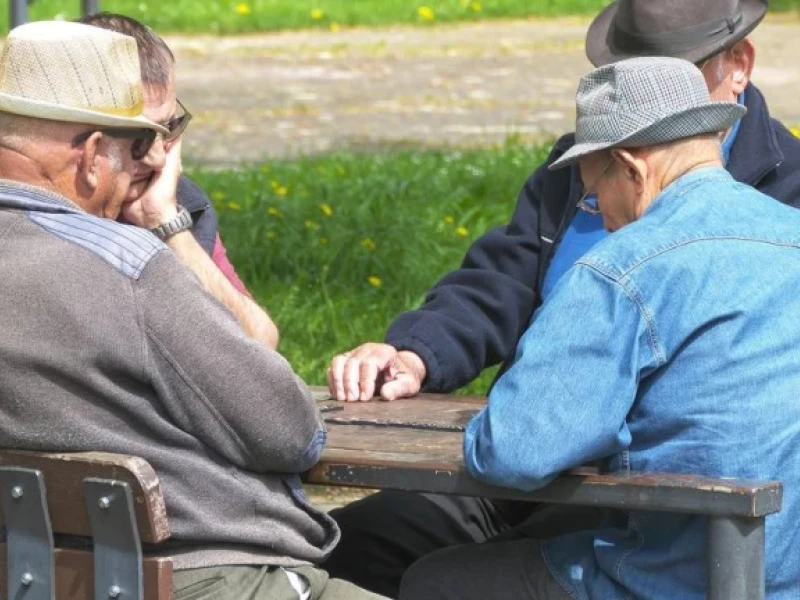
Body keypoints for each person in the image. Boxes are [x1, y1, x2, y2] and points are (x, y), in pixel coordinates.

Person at [324, 0, 800, 596]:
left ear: (630, 167)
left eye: (595, 184)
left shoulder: (625, 263)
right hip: (751, 548)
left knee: (440, 582)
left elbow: (516, 450)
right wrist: (418, 350)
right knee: (357, 540)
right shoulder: (784, 232)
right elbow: (499, 279)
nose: (593, 207)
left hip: (662, 538)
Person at [0, 20, 384, 600]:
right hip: (202, 574)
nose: (149, 162)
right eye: (137, 145)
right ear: (91, 155)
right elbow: (290, 431)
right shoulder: (126, 265)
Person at [79, 12, 279, 349]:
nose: (158, 157)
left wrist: (166, 224)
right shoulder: (38, 216)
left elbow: (258, 344)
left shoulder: (176, 202)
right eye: (139, 137)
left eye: (169, 128)